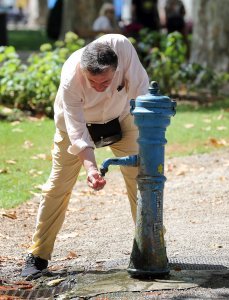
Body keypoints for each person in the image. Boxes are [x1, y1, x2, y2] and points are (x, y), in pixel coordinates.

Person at [20, 34, 149, 279]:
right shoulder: (71, 77)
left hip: (121, 116)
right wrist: (91, 169)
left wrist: (148, 132)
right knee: (58, 185)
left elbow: (141, 91)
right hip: (75, 124)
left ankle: (151, 248)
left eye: (106, 82)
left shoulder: (122, 48)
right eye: (94, 83)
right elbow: (78, 133)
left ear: (116, 67)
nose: (100, 87)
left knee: (143, 177)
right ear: (83, 70)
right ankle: (37, 255)